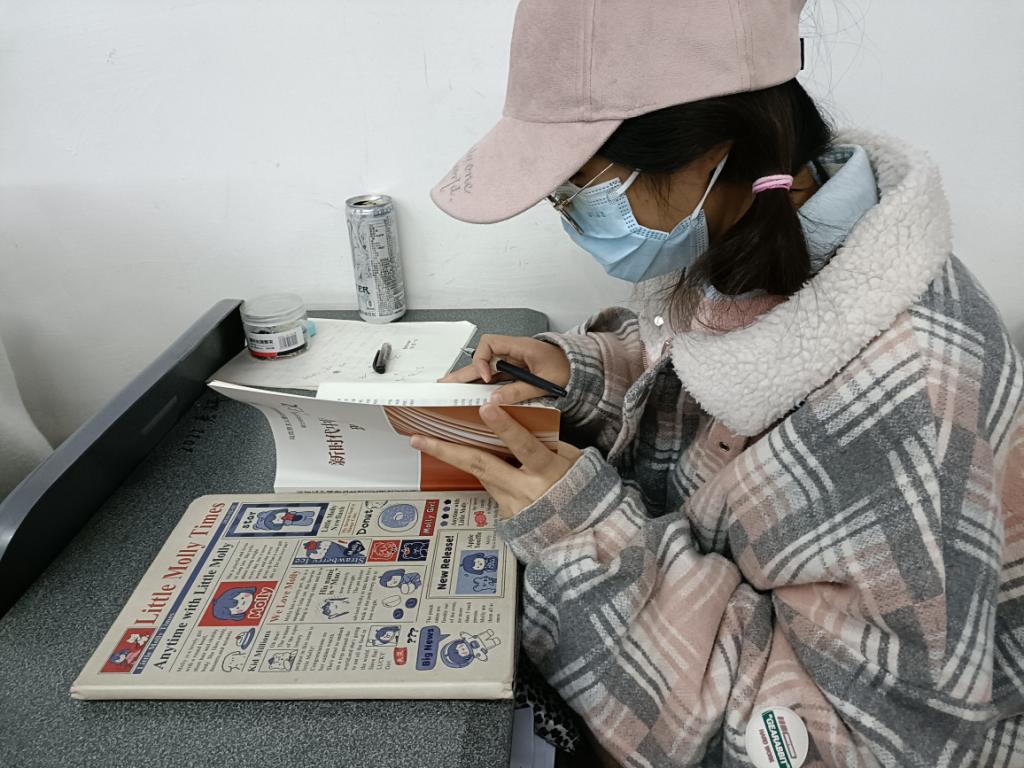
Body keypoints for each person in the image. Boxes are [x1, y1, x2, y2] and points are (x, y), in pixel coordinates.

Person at [411, 1, 1024, 766]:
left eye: (578, 188)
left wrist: (582, 537)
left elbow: (836, 745)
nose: (565, 213)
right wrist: (587, 373)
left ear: (709, 154)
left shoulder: (913, 412)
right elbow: (728, 379)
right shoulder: (784, 222)